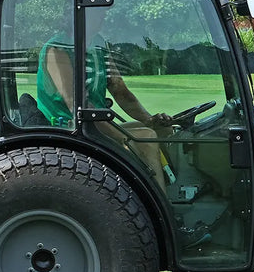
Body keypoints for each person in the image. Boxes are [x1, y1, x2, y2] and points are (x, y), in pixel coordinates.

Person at [37, 9, 174, 183]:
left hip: (94, 125)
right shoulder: (57, 49)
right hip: (70, 128)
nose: (103, 15)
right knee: (145, 138)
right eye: (98, 11)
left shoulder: (98, 43)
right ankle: (158, 199)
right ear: (80, 15)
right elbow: (77, 104)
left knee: (161, 130)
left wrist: (150, 120)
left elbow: (119, 90)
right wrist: (123, 139)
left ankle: (170, 187)